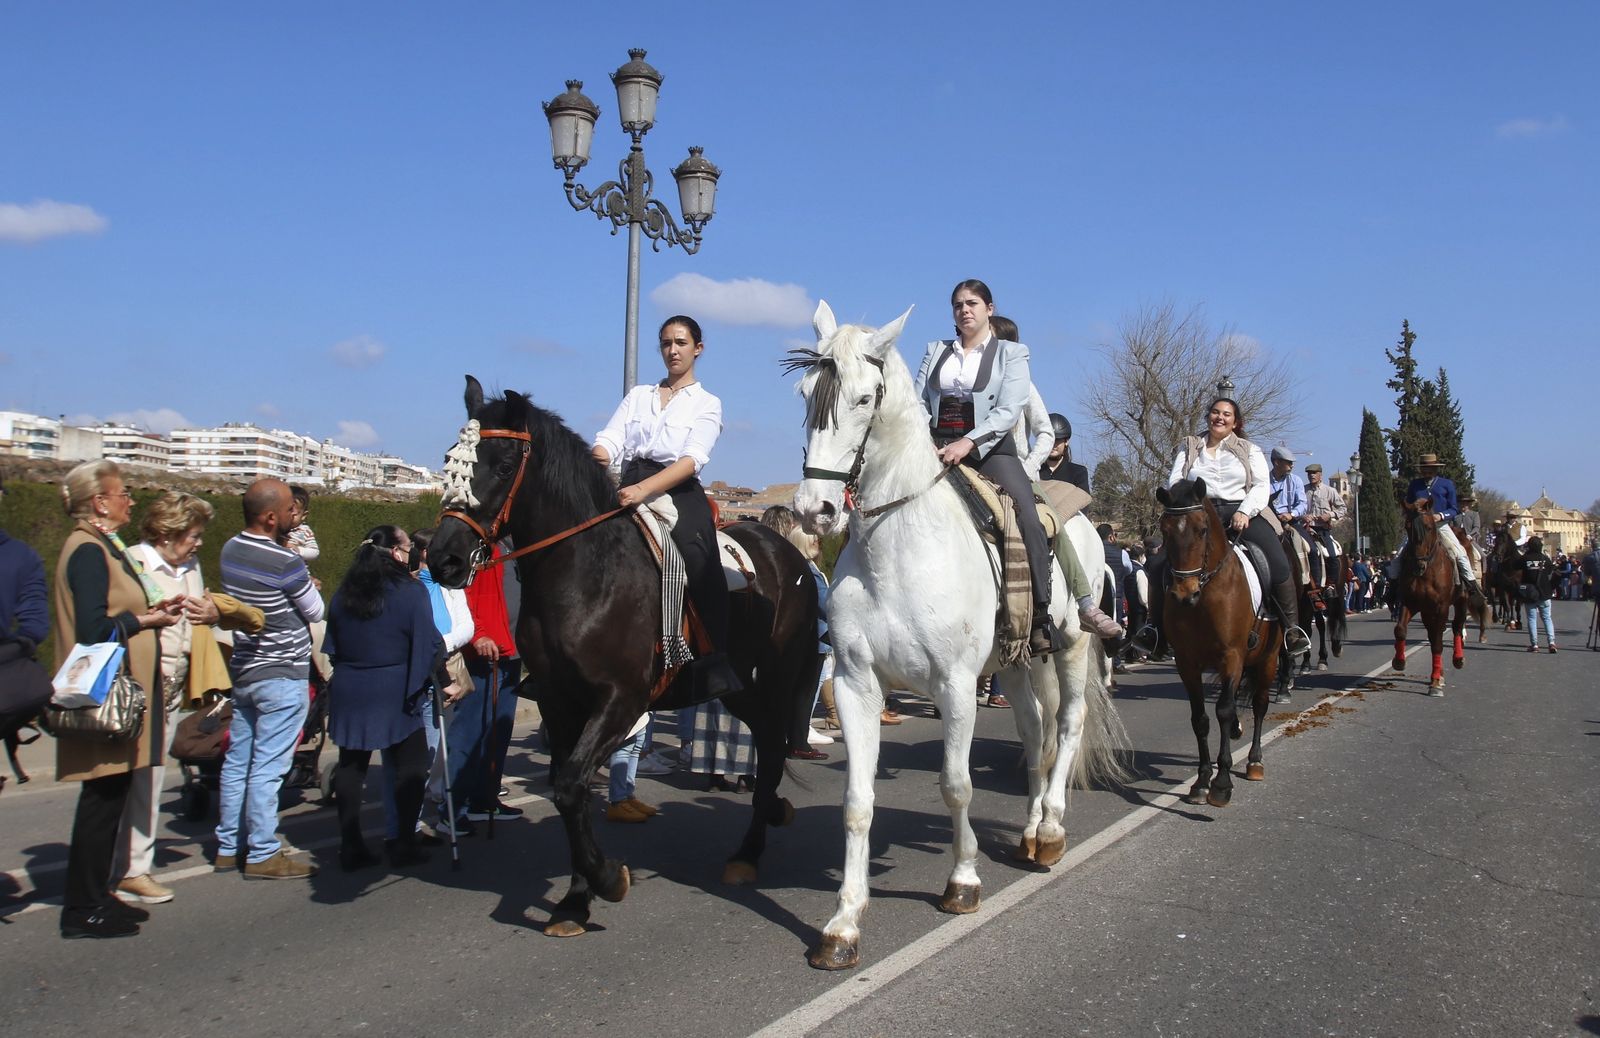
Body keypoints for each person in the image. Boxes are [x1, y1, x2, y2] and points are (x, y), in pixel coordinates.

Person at [52, 461, 184, 938]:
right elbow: (94, 629)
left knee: (110, 795)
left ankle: (96, 894)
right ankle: (82, 906)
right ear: (99, 502)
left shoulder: (104, 546)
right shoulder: (88, 550)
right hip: (106, 694)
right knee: (102, 797)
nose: (130, 499)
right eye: (122, 493)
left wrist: (150, 612)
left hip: (121, 692)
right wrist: (144, 623)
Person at [593, 314, 742, 700]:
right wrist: (590, 463)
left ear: (698, 348)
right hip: (628, 483)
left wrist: (644, 489)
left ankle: (712, 662)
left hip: (675, 488)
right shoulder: (638, 395)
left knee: (697, 556)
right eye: (665, 343)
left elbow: (691, 460)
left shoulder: (708, 403)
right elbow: (609, 439)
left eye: (680, 343)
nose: (672, 350)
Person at [913, 279, 1060, 656]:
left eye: (973, 303)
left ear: (989, 309)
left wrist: (969, 442)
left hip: (989, 450)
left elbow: (1008, 410)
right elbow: (917, 402)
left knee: (1027, 514)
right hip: (934, 446)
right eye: (958, 304)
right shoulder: (934, 350)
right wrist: (923, 438)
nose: (965, 310)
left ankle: (1040, 614)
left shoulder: (1012, 353)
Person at [115, 492, 246, 905]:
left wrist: (211, 611)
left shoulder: (188, 565)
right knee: (122, 779)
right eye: (193, 534)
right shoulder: (132, 561)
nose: (199, 542)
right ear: (167, 532)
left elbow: (198, 620)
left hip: (172, 686)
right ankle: (123, 867)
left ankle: (135, 865)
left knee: (150, 778)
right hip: (135, 685)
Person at [1130, 398, 1311, 657]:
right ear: (1208, 416)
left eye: (1227, 414)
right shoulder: (1190, 446)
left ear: (1235, 422)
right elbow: (1176, 480)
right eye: (1216, 412)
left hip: (1239, 511)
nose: (1220, 418)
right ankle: (1154, 629)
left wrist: (1244, 511)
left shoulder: (1249, 449)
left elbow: (1261, 485)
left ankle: (1292, 630)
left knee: (1278, 561)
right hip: (1197, 513)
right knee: (1159, 563)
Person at [324, 526, 456, 870]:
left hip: (351, 685)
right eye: (408, 546)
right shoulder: (410, 592)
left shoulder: (344, 592)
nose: (411, 550)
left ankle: (350, 844)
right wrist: (443, 680)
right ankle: (402, 842)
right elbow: (429, 644)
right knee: (410, 768)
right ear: (397, 553)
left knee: (352, 766)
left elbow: (333, 645)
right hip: (395, 688)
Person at [216, 478, 323, 880]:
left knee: (238, 760)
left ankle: (229, 845)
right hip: (282, 670)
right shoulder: (285, 560)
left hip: (245, 665)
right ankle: (262, 850)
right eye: (288, 511)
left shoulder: (230, 549)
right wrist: (306, 585)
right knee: (269, 765)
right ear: (271, 516)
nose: (293, 518)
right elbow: (314, 611)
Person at [388, 527, 472, 842]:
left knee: (439, 741)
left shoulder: (450, 585)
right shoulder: (405, 586)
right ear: (425, 553)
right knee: (418, 745)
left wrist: (436, 647)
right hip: (414, 669)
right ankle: (406, 819)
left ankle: (437, 791)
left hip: (444, 664)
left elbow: (466, 626)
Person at [1389, 453, 1482, 600]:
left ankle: (1472, 588)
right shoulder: (1415, 485)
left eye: (1430, 469)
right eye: (1424, 469)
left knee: (1459, 553)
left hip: (1440, 525)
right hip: (1419, 527)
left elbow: (1453, 509)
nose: (1427, 472)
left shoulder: (1446, 484)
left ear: (1435, 469)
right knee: (1399, 554)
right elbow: (1408, 505)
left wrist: (1440, 516)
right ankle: (1392, 588)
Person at [1303, 463, 1347, 590]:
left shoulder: (1330, 491)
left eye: (1314, 473)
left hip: (1323, 530)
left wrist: (1330, 515)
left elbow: (1343, 508)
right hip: (1306, 529)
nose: (1311, 475)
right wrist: (1303, 516)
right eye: (1309, 473)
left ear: (1320, 475)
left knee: (1332, 556)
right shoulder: (1302, 490)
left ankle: (1332, 585)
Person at [1520, 537, 1557, 653]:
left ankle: (1534, 645)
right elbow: (1551, 571)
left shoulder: (1525, 558)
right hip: (1544, 592)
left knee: (1532, 619)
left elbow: (1515, 566)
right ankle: (1551, 643)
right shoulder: (1545, 558)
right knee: (1547, 618)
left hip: (1530, 593)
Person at [284, 486, 320, 562]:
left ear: (303, 515)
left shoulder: (305, 531)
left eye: (294, 514)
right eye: (286, 511)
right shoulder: (276, 528)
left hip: (296, 569)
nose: (289, 516)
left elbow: (315, 552)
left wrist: (298, 550)